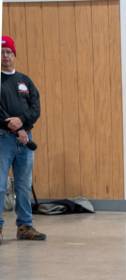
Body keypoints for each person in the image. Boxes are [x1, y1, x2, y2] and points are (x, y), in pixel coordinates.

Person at [0, 35, 46, 244]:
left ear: (14, 54)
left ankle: (25, 226)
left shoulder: (25, 81)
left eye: (8, 51)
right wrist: (9, 124)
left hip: (25, 140)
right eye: (2, 52)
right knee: (0, 185)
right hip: (3, 139)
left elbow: (35, 107)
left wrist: (22, 123)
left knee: (23, 185)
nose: (5, 56)